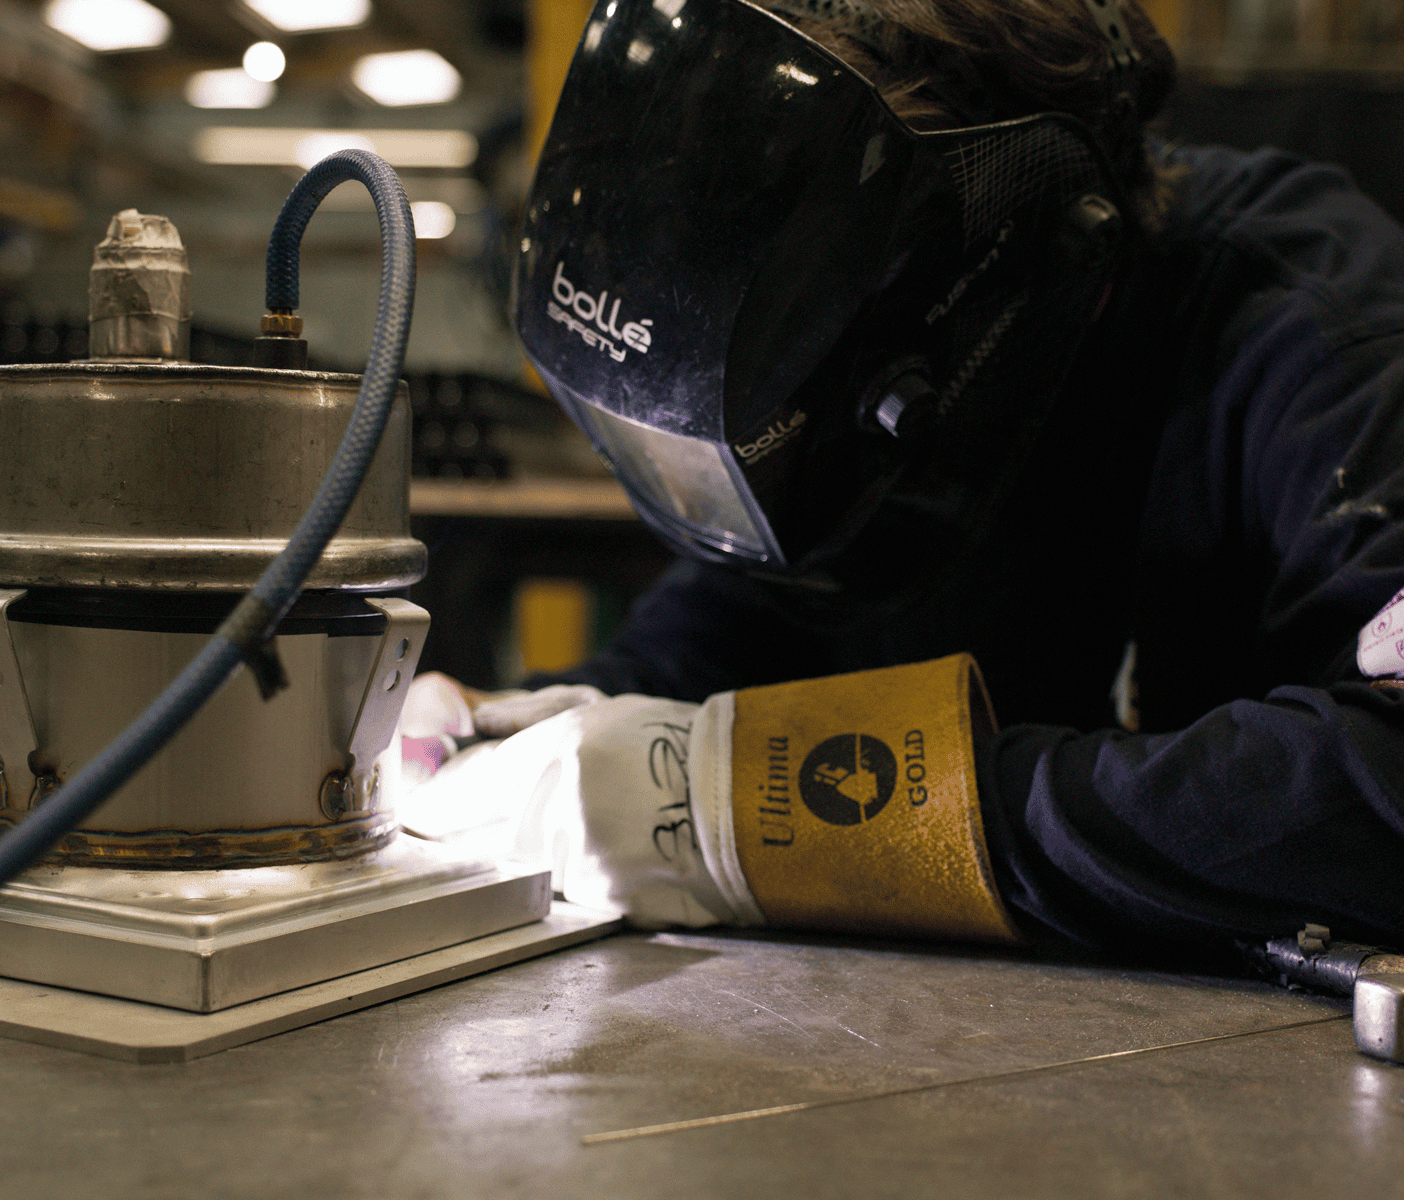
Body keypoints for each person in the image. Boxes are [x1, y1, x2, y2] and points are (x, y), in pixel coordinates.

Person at [400, 0, 1404, 962]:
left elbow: (1382, 785)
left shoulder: (1324, 337)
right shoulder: (856, 392)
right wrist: (541, 732)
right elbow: (737, 635)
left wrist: (793, 813)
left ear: (994, 280)